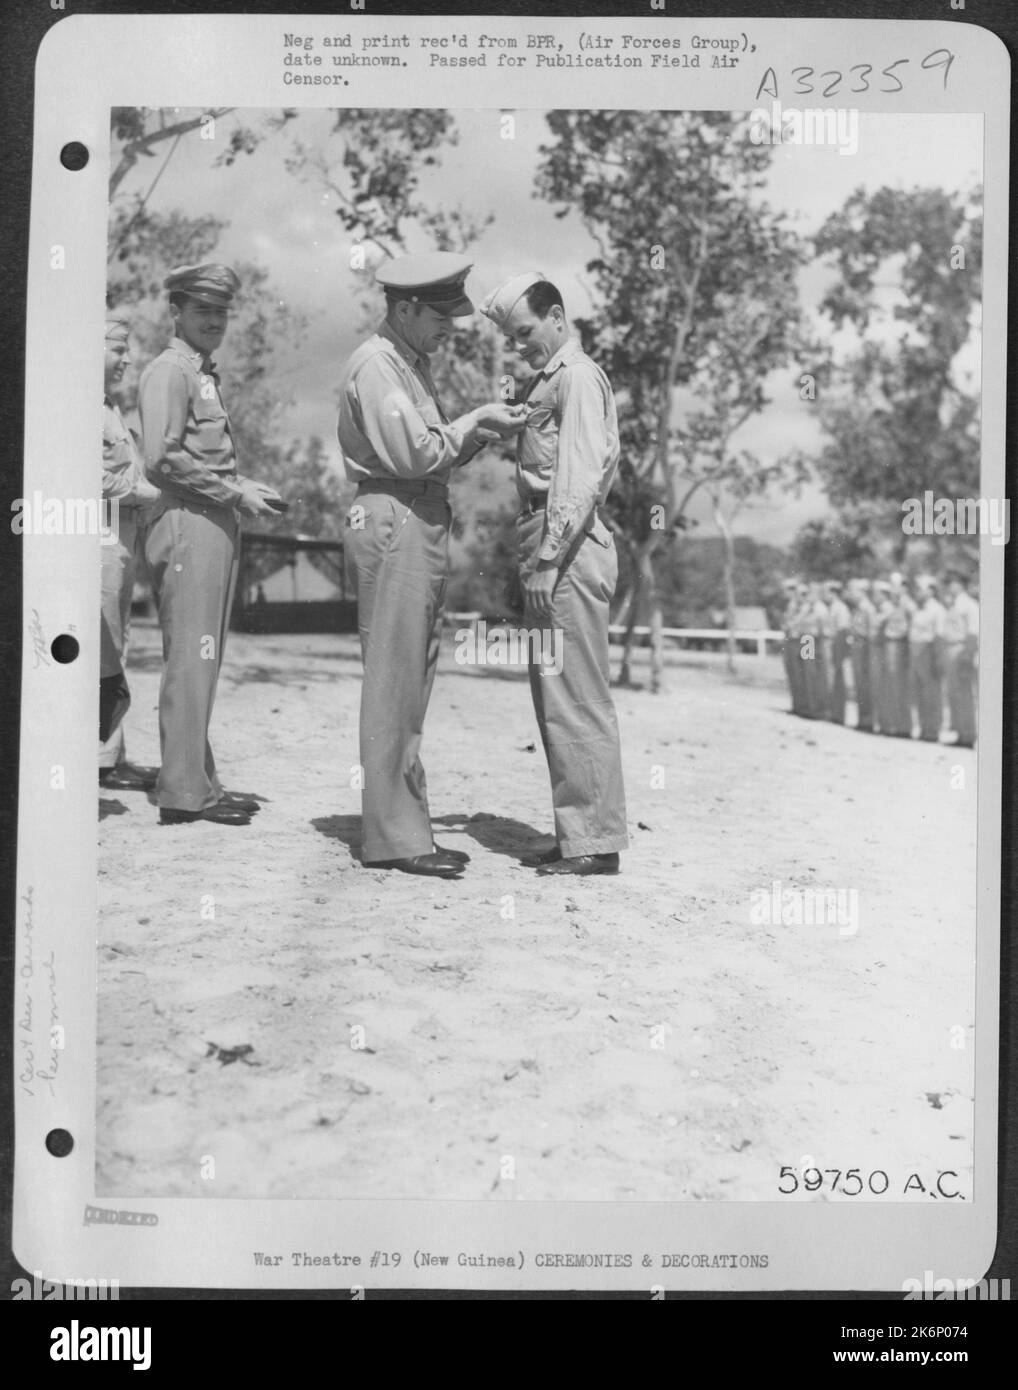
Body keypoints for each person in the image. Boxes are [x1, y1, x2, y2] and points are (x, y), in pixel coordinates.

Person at [337, 252, 527, 878]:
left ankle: (405, 825)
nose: (450, 329)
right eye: (441, 316)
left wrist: (476, 431)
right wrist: (471, 421)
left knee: (410, 680)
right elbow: (417, 451)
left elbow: (434, 453)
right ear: (405, 308)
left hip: (417, 514)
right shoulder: (379, 365)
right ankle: (394, 838)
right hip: (396, 517)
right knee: (394, 681)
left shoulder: (408, 365)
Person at [481, 272, 629, 877]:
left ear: (558, 317)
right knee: (555, 695)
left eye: (526, 333)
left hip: (564, 544)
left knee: (576, 696)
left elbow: (578, 473)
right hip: (546, 538)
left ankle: (595, 843)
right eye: (512, 339)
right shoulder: (546, 381)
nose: (520, 347)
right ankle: (579, 834)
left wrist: (547, 559)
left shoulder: (576, 377)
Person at [139, 263, 281, 826]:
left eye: (221, 312)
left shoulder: (200, 373)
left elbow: (200, 456)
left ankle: (200, 782)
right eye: (203, 310)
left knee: (204, 658)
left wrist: (240, 487)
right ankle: (181, 794)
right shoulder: (168, 372)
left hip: (211, 518)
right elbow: (162, 459)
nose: (214, 321)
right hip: (187, 522)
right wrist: (232, 492)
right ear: (175, 312)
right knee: (190, 659)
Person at [100, 311, 161, 790]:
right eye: (118, 348)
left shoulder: (109, 409)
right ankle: (99, 760)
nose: (127, 359)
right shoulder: (80, 407)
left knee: (118, 641)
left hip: (121, 541)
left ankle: (110, 755)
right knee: (102, 647)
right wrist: (146, 492)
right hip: (98, 540)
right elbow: (93, 478)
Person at [941, 569, 979, 748]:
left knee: (964, 693)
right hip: (950, 648)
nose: (950, 586)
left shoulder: (969, 604)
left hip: (962, 648)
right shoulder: (954, 604)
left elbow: (973, 633)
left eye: (954, 582)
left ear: (961, 584)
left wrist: (967, 655)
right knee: (954, 693)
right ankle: (961, 733)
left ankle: (969, 735)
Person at [908, 576, 946, 742]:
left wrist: (937, 659)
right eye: (916, 589)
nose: (917, 593)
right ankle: (924, 729)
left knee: (932, 694)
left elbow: (939, 636)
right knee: (920, 693)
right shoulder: (918, 609)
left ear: (931, 591)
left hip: (929, 653)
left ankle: (933, 731)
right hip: (916, 653)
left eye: (920, 589)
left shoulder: (938, 609)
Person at [880, 572, 914, 737]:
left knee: (900, 686)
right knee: (892, 686)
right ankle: (895, 725)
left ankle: (904, 727)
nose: (894, 589)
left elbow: (911, 624)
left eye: (897, 585)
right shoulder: (891, 604)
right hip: (890, 644)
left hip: (901, 644)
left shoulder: (908, 604)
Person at [845, 579, 876, 732]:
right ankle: (862, 719)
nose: (851, 594)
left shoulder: (867, 608)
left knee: (865, 684)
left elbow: (870, 633)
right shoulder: (857, 609)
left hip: (864, 648)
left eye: (854, 590)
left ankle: (868, 720)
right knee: (859, 684)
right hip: (857, 646)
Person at [823, 580, 851, 724]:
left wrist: (838, 652)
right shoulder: (829, 608)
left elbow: (842, 631)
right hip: (822, 643)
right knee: (828, 680)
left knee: (836, 680)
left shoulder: (840, 608)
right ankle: (830, 711)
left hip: (833, 645)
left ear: (834, 593)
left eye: (826, 592)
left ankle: (837, 714)